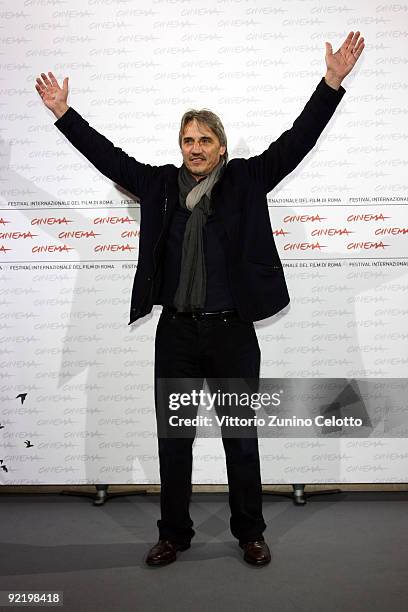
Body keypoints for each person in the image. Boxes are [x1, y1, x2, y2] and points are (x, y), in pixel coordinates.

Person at [35, 31, 365, 567]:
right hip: (178, 333)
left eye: (204, 139)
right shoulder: (162, 186)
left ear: (221, 146)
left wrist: (330, 83)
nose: (195, 148)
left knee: (240, 440)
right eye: (188, 139)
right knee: (175, 440)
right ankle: (174, 534)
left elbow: (297, 139)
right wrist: (64, 113)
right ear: (180, 145)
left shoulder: (246, 180)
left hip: (232, 332)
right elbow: (109, 159)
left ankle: (250, 534)